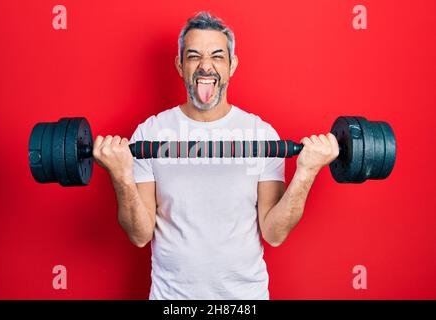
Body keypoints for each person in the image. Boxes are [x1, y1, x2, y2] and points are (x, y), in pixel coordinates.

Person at [92, 12, 339, 299]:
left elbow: (274, 232)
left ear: (232, 65)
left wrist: (306, 172)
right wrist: (121, 176)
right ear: (180, 65)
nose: (205, 66)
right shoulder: (150, 132)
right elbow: (139, 235)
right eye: (194, 56)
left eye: (217, 56)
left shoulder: (261, 134)